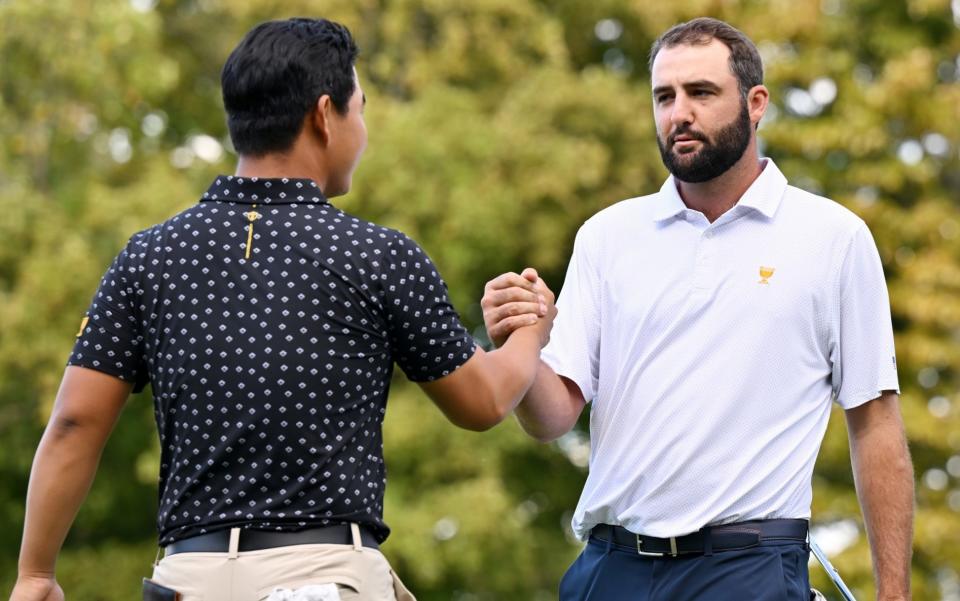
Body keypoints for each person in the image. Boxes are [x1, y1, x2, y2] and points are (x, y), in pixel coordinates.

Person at [10, 18, 552, 601]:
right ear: (324, 115)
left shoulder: (149, 256)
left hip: (186, 582)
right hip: (325, 576)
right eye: (360, 110)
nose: (363, 130)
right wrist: (531, 331)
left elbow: (73, 423)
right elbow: (484, 401)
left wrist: (36, 574)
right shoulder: (378, 255)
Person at [481, 17, 914, 601]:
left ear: (756, 103)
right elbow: (550, 417)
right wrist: (522, 345)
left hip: (748, 571)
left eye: (701, 93)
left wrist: (894, 593)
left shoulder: (833, 237)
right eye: (664, 96)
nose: (678, 113)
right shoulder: (606, 236)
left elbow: (875, 423)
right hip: (609, 570)